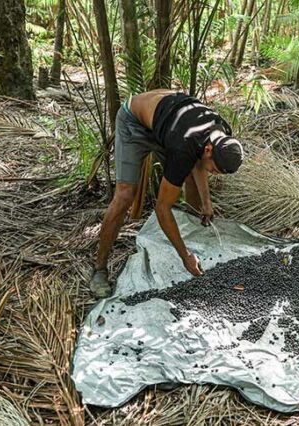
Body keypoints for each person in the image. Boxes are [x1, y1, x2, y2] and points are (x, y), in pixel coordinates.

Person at [89, 89, 244, 298]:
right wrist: (184, 255)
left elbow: (198, 161)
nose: (213, 173)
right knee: (125, 196)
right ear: (209, 150)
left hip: (168, 126)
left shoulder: (222, 133)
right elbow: (162, 207)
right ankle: (99, 269)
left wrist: (206, 202)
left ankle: (194, 243)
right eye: (214, 169)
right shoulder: (185, 145)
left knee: (191, 180)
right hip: (134, 122)